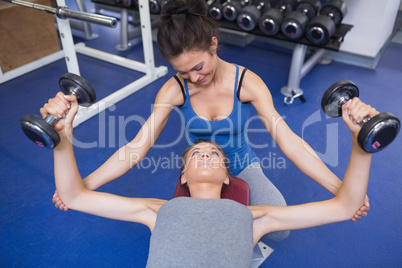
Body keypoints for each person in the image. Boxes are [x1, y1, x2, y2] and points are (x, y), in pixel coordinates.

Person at [51, 0, 369, 241]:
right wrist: (83, 186)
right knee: (185, 233)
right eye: (183, 71)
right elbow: (137, 147)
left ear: (213, 45)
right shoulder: (174, 89)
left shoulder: (248, 83)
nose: (194, 78)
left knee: (279, 232)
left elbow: (289, 143)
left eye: (199, 67)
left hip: (242, 164)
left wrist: (342, 189)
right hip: (198, 168)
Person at [47, 92, 375, 267]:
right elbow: (74, 196)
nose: (205, 154)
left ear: (228, 176)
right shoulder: (157, 210)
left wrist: (362, 144)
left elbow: (346, 205)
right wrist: (62, 137)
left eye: (215, 155)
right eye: (196, 154)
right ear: (183, 177)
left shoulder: (254, 218)